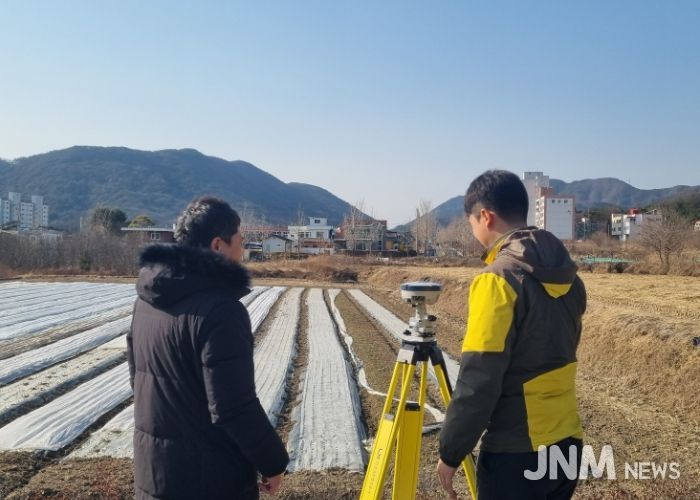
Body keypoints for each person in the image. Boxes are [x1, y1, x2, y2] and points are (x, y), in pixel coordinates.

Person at [436, 170, 587, 499]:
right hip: (567, 443)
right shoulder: (571, 279)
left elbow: (479, 378)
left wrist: (451, 451)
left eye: (472, 223)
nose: (474, 232)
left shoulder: (497, 280)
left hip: (517, 454)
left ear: (486, 217)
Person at [127, 196, 289, 499]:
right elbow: (233, 407)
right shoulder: (221, 310)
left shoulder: (145, 302)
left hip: (155, 473)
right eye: (239, 239)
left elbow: (138, 380)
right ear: (218, 245)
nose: (243, 248)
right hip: (208, 481)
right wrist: (273, 463)